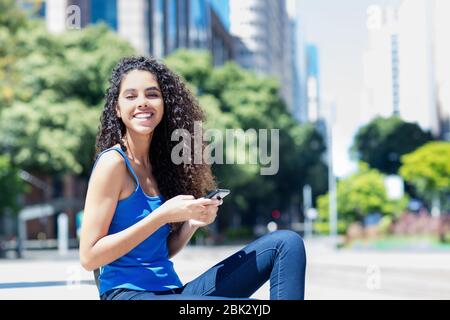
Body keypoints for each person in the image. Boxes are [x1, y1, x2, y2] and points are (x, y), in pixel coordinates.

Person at [79, 56, 307, 300]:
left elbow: (159, 252)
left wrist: (190, 225)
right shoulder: (113, 163)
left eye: (152, 94)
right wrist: (162, 215)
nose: (143, 103)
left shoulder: (160, 167)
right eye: (131, 96)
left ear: (165, 104)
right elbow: (89, 257)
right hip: (127, 295)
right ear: (117, 108)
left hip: (171, 292)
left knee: (286, 243)